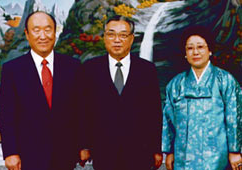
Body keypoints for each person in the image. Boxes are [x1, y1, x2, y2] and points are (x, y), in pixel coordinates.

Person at [0, 11, 84, 170]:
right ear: (27, 34)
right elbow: (6, 114)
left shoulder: (72, 66)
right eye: (36, 30)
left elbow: (80, 109)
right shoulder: (12, 70)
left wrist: (83, 145)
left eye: (47, 29)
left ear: (55, 31)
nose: (43, 36)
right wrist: (10, 152)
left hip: (65, 154)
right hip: (28, 155)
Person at [82, 15, 163, 170]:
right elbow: (83, 110)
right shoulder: (90, 68)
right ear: (104, 37)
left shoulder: (147, 70)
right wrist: (84, 145)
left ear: (131, 39)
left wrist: (156, 148)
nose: (117, 40)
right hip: (103, 152)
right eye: (111, 34)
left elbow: (154, 112)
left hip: (140, 152)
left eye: (123, 35)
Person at [162, 25, 242, 170]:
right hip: (183, 157)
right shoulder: (175, 84)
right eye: (190, 48)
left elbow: (234, 118)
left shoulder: (225, 80)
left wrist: (235, 151)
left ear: (210, 50)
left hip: (218, 157)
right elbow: (168, 122)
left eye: (200, 47)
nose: (195, 52)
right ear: (185, 53)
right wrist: (169, 152)